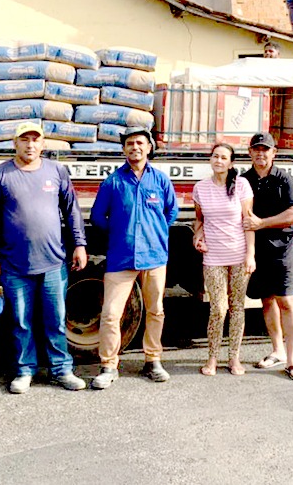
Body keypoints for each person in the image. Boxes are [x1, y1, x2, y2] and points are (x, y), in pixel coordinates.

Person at [0, 121, 88, 393]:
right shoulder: (0, 175)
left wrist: (79, 245)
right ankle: (24, 370)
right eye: (24, 140)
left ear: (43, 144)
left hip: (53, 262)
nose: (30, 145)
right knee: (20, 321)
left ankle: (61, 369)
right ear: (14, 143)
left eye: (35, 140)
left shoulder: (57, 171)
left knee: (56, 320)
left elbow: (72, 211)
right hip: (14, 264)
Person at [89, 126, 178, 389]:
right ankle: (108, 365)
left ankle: (153, 360)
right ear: (124, 150)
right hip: (121, 256)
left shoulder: (160, 180)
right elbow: (97, 216)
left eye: (140, 143)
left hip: (154, 257)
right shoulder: (113, 182)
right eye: (130, 144)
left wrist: (156, 232)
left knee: (156, 310)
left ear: (149, 147)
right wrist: (120, 232)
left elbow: (170, 212)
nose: (135, 147)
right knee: (110, 314)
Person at [241, 132, 293, 381]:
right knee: (266, 300)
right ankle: (277, 351)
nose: (260, 153)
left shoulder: (284, 179)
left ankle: (292, 360)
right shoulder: (244, 180)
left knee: (286, 302)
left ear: (273, 153)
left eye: (265, 149)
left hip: (281, 248)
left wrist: (262, 223)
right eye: (256, 149)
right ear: (250, 152)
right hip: (257, 249)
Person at [191, 143, 256, 376]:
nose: (218, 160)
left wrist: (251, 255)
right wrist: (197, 237)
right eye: (215, 156)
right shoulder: (200, 188)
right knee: (218, 308)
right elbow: (199, 220)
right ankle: (212, 358)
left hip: (239, 255)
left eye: (223, 157)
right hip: (213, 257)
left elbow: (249, 222)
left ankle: (234, 359)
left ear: (231, 163)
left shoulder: (241, 186)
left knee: (237, 307)